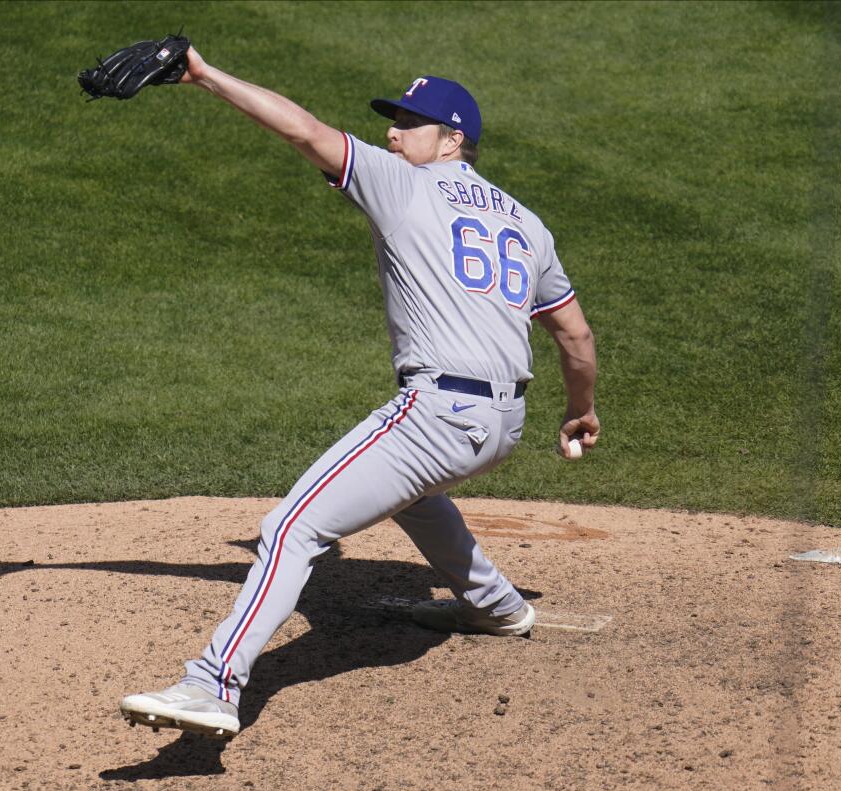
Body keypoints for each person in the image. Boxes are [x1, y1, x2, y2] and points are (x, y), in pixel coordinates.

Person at [120, 46, 600, 739]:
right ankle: (495, 605)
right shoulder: (528, 224)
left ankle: (212, 686)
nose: (392, 134)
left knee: (292, 528)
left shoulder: (404, 183)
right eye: (394, 121)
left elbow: (304, 131)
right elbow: (575, 337)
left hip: (438, 412)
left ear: (452, 140)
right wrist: (581, 410)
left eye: (410, 123)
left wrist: (203, 74)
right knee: (411, 491)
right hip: (504, 424)